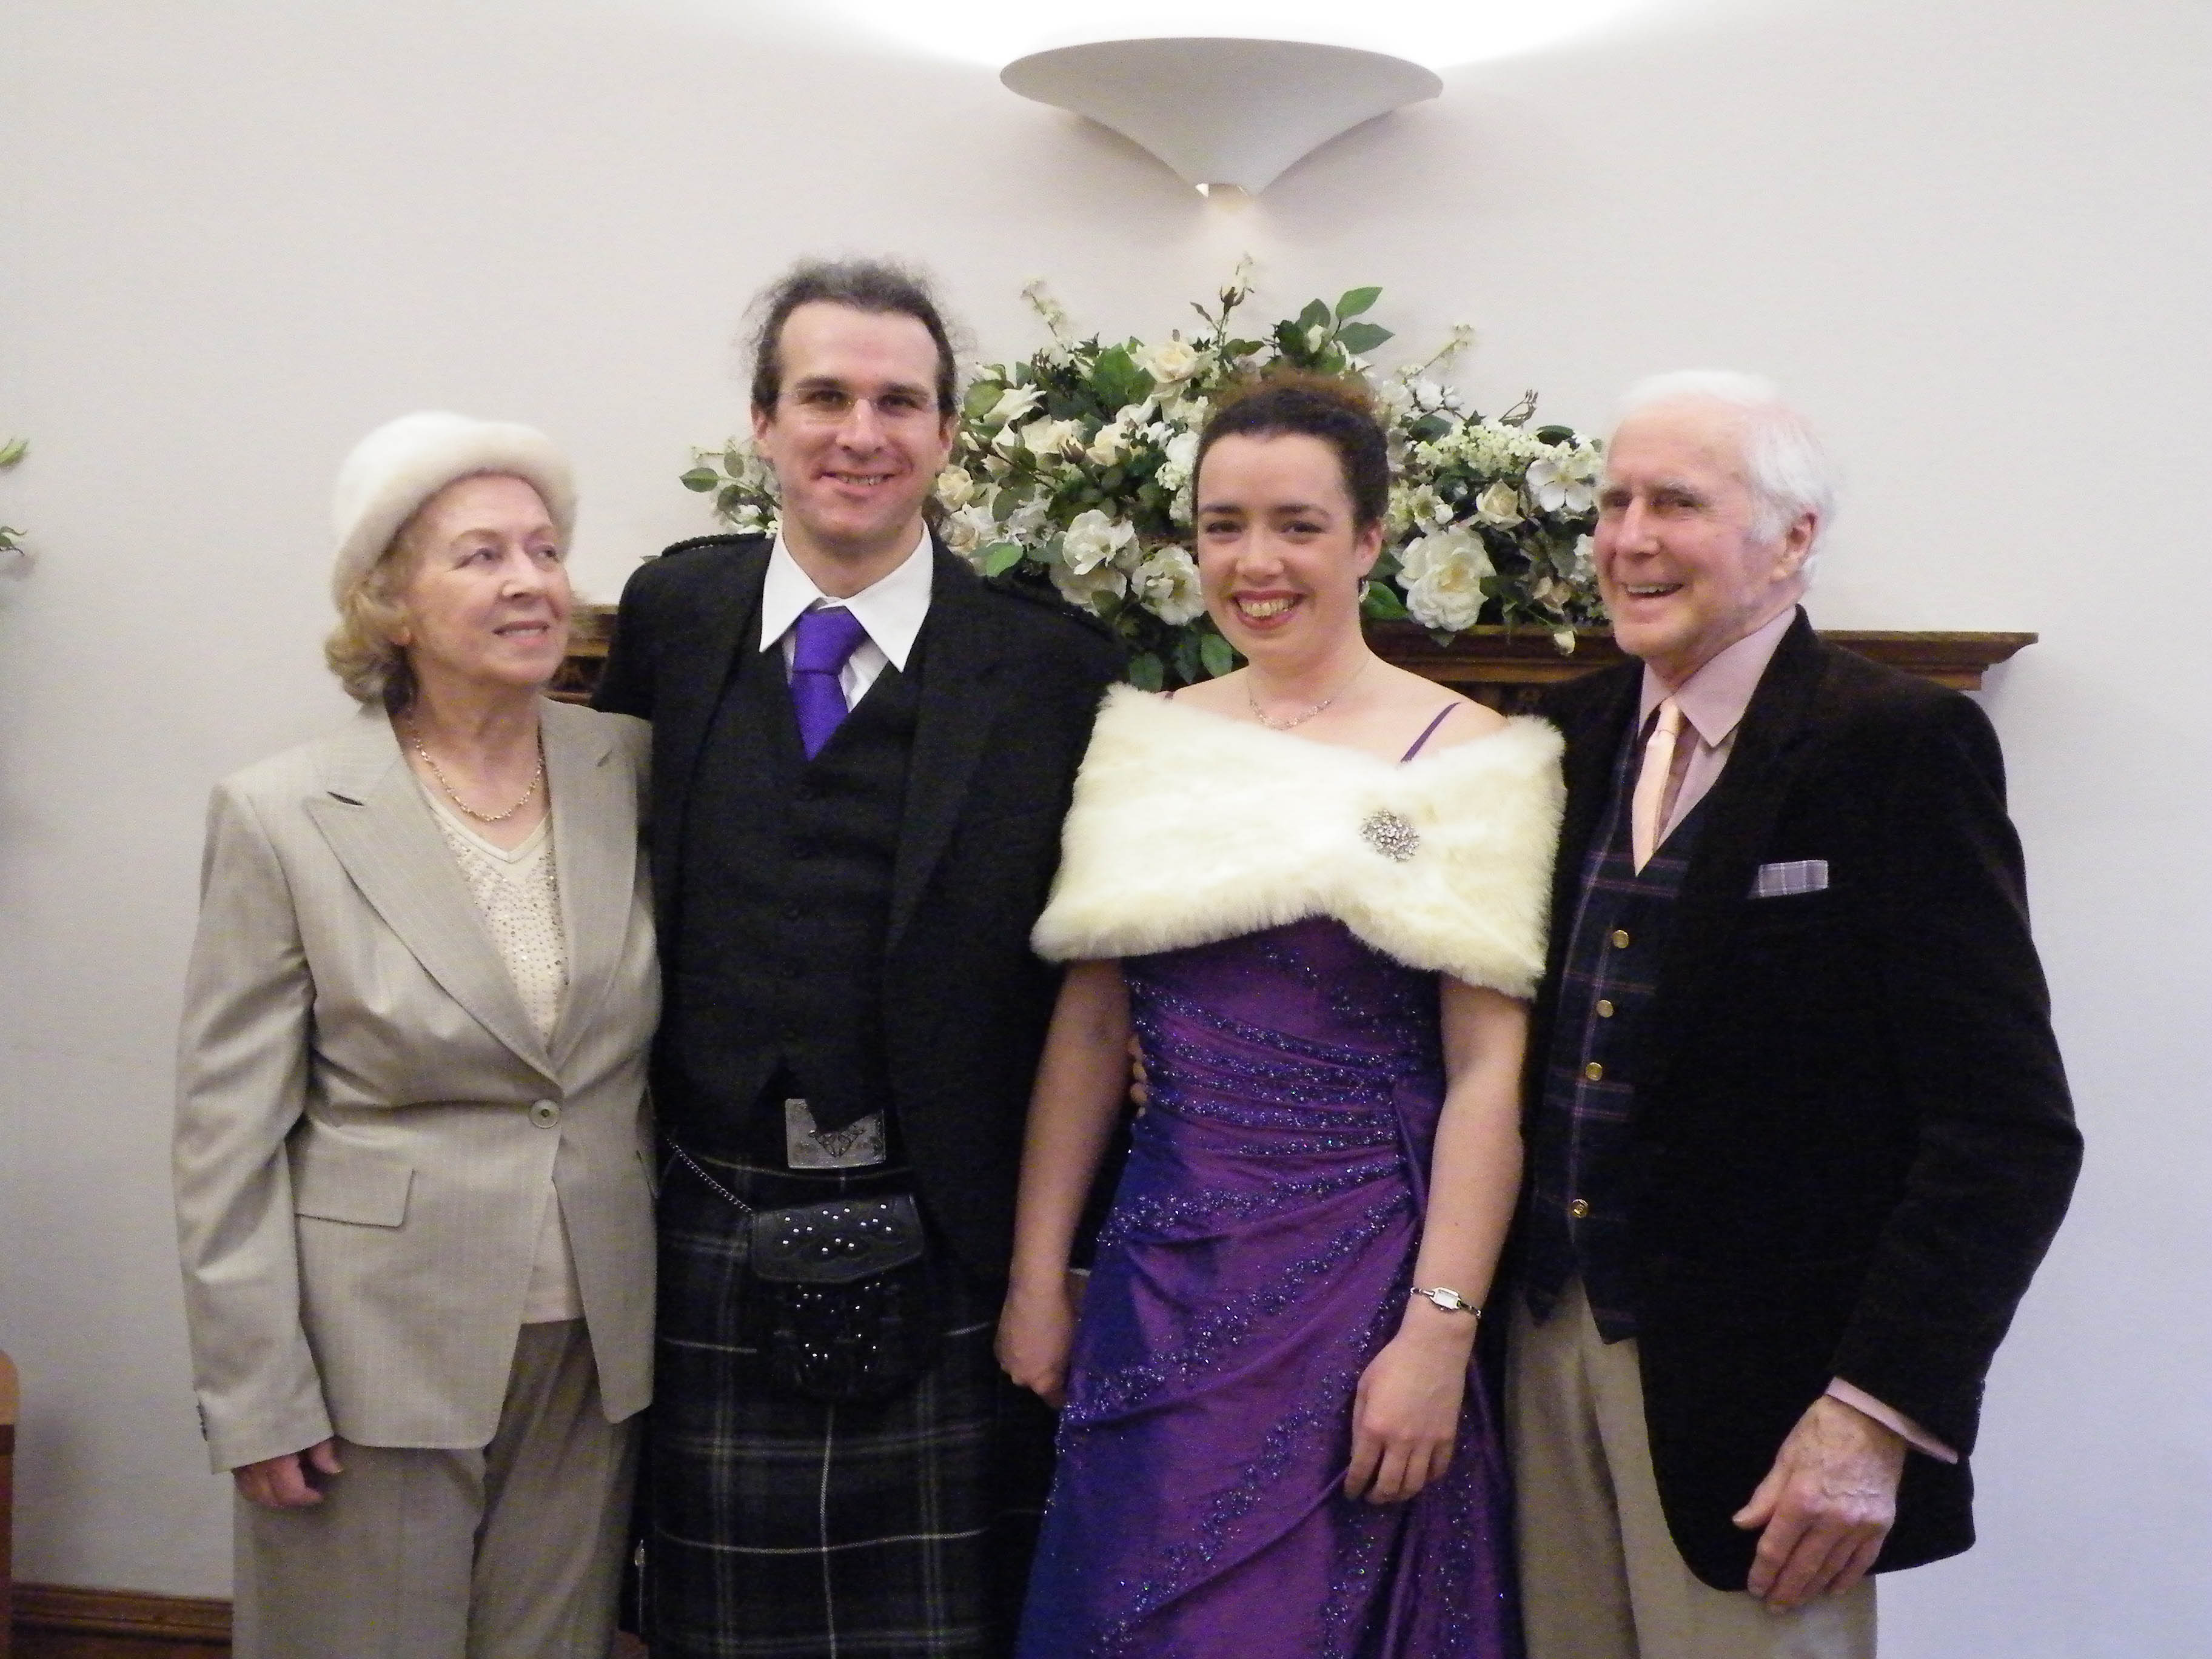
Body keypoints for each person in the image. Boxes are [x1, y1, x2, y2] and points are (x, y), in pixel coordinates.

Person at [592, 258, 1124, 1658]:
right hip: (702, 1208)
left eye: (900, 403)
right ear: (763, 423)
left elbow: (1095, 994)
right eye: (824, 396)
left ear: (948, 436)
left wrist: (1057, 1268)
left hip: (948, 1231)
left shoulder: (1055, 670)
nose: (860, 433)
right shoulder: (674, 616)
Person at [1509, 372, 2082, 1659]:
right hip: (1542, 1358)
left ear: (1793, 539)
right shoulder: (1568, 734)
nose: (1629, 538)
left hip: (1770, 1414)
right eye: (1612, 503)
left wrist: (1875, 1414)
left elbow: (2006, 1133)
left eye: (1675, 503)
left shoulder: (1898, 747)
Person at [997, 374, 1561, 1656]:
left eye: (1298, 526)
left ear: (1369, 540)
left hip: (1359, 1284)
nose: (1257, 564)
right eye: (1224, 526)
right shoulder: (1146, 742)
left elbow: (1488, 1075)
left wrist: (1439, 1333)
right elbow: (1090, 1031)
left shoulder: (1467, 757)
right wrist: (1038, 1275)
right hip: (1160, 1278)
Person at [173, 412, 660, 1657]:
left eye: (544, 550)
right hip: (372, 1353)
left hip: (593, 1343)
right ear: (390, 604)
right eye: (481, 556)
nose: (529, 581)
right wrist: (256, 1391)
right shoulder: (284, 814)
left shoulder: (633, 771)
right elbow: (225, 1138)